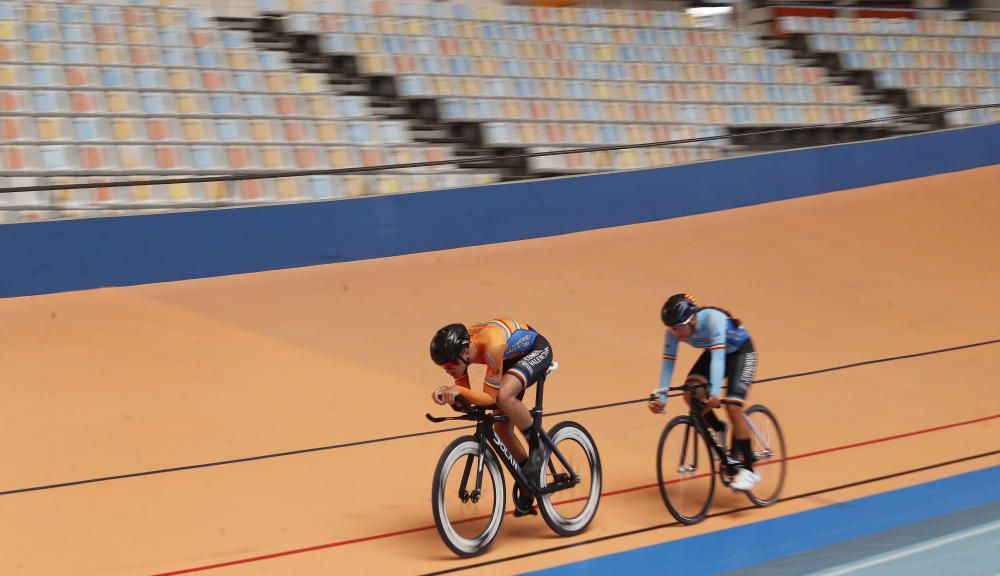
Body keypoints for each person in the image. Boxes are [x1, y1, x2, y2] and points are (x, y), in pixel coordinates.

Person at [430, 318, 553, 515]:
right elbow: (468, 396)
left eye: (451, 365)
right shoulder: (461, 351)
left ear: (466, 352)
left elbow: (489, 398)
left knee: (504, 396)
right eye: (444, 367)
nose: (449, 370)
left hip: (535, 350)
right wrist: (451, 396)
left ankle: (538, 447)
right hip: (509, 357)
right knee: (501, 429)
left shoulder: (490, 344)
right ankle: (529, 481)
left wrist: (459, 392)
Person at [648, 294, 760, 491]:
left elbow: (718, 359)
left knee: (733, 407)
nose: (675, 333)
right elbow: (668, 364)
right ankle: (718, 428)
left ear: (692, 319)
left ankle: (750, 471)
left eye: (678, 327)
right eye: (671, 328)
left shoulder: (712, 319)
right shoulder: (673, 332)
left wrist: (715, 393)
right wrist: (662, 397)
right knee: (691, 393)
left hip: (742, 353)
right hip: (717, 353)